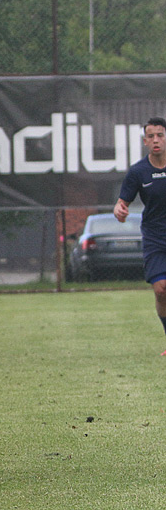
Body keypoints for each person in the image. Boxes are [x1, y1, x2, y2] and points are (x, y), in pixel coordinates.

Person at [113, 117, 166, 356]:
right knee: (161, 290)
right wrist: (119, 209)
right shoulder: (138, 172)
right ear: (145, 141)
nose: (156, 140)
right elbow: (122, 202)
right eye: (151, 136)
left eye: (160, 135)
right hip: (155, 236)